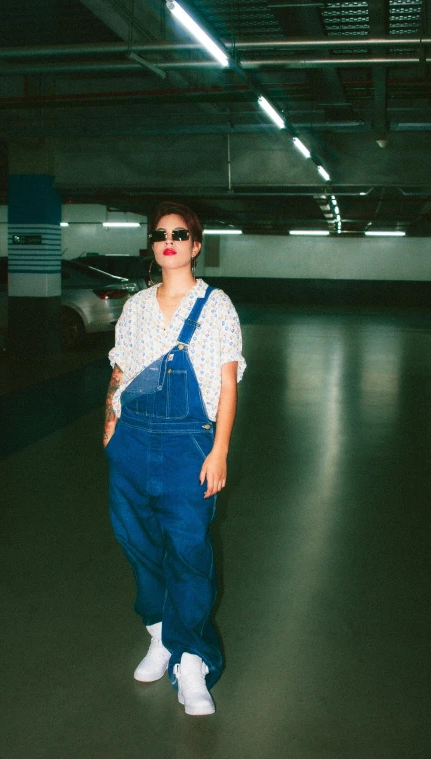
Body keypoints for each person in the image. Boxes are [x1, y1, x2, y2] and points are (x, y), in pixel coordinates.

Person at [104, 202, 246, 716]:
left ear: (196, 244)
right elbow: (119, 372)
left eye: (179, 234)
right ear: (153, 244)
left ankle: (192, 661)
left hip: (190, 445)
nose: (169, 241)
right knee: (136, 543)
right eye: (160, 234)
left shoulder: (216, 305)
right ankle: (161, 635)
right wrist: (109, 430)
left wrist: (219, 450)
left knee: (189, 555)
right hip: (132, 444)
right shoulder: (137, 306)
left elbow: (227, 384)